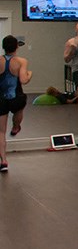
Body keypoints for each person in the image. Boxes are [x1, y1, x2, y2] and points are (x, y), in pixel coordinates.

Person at [1, 35, 33, 172]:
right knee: (19, 107)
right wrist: (30, 74)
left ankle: (3, 161)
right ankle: (15, 126)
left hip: (0, 99)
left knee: (1, 132)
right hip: (16, 98)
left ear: (3, 46)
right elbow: (24, 80)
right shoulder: (21, 61)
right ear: (17, 47)